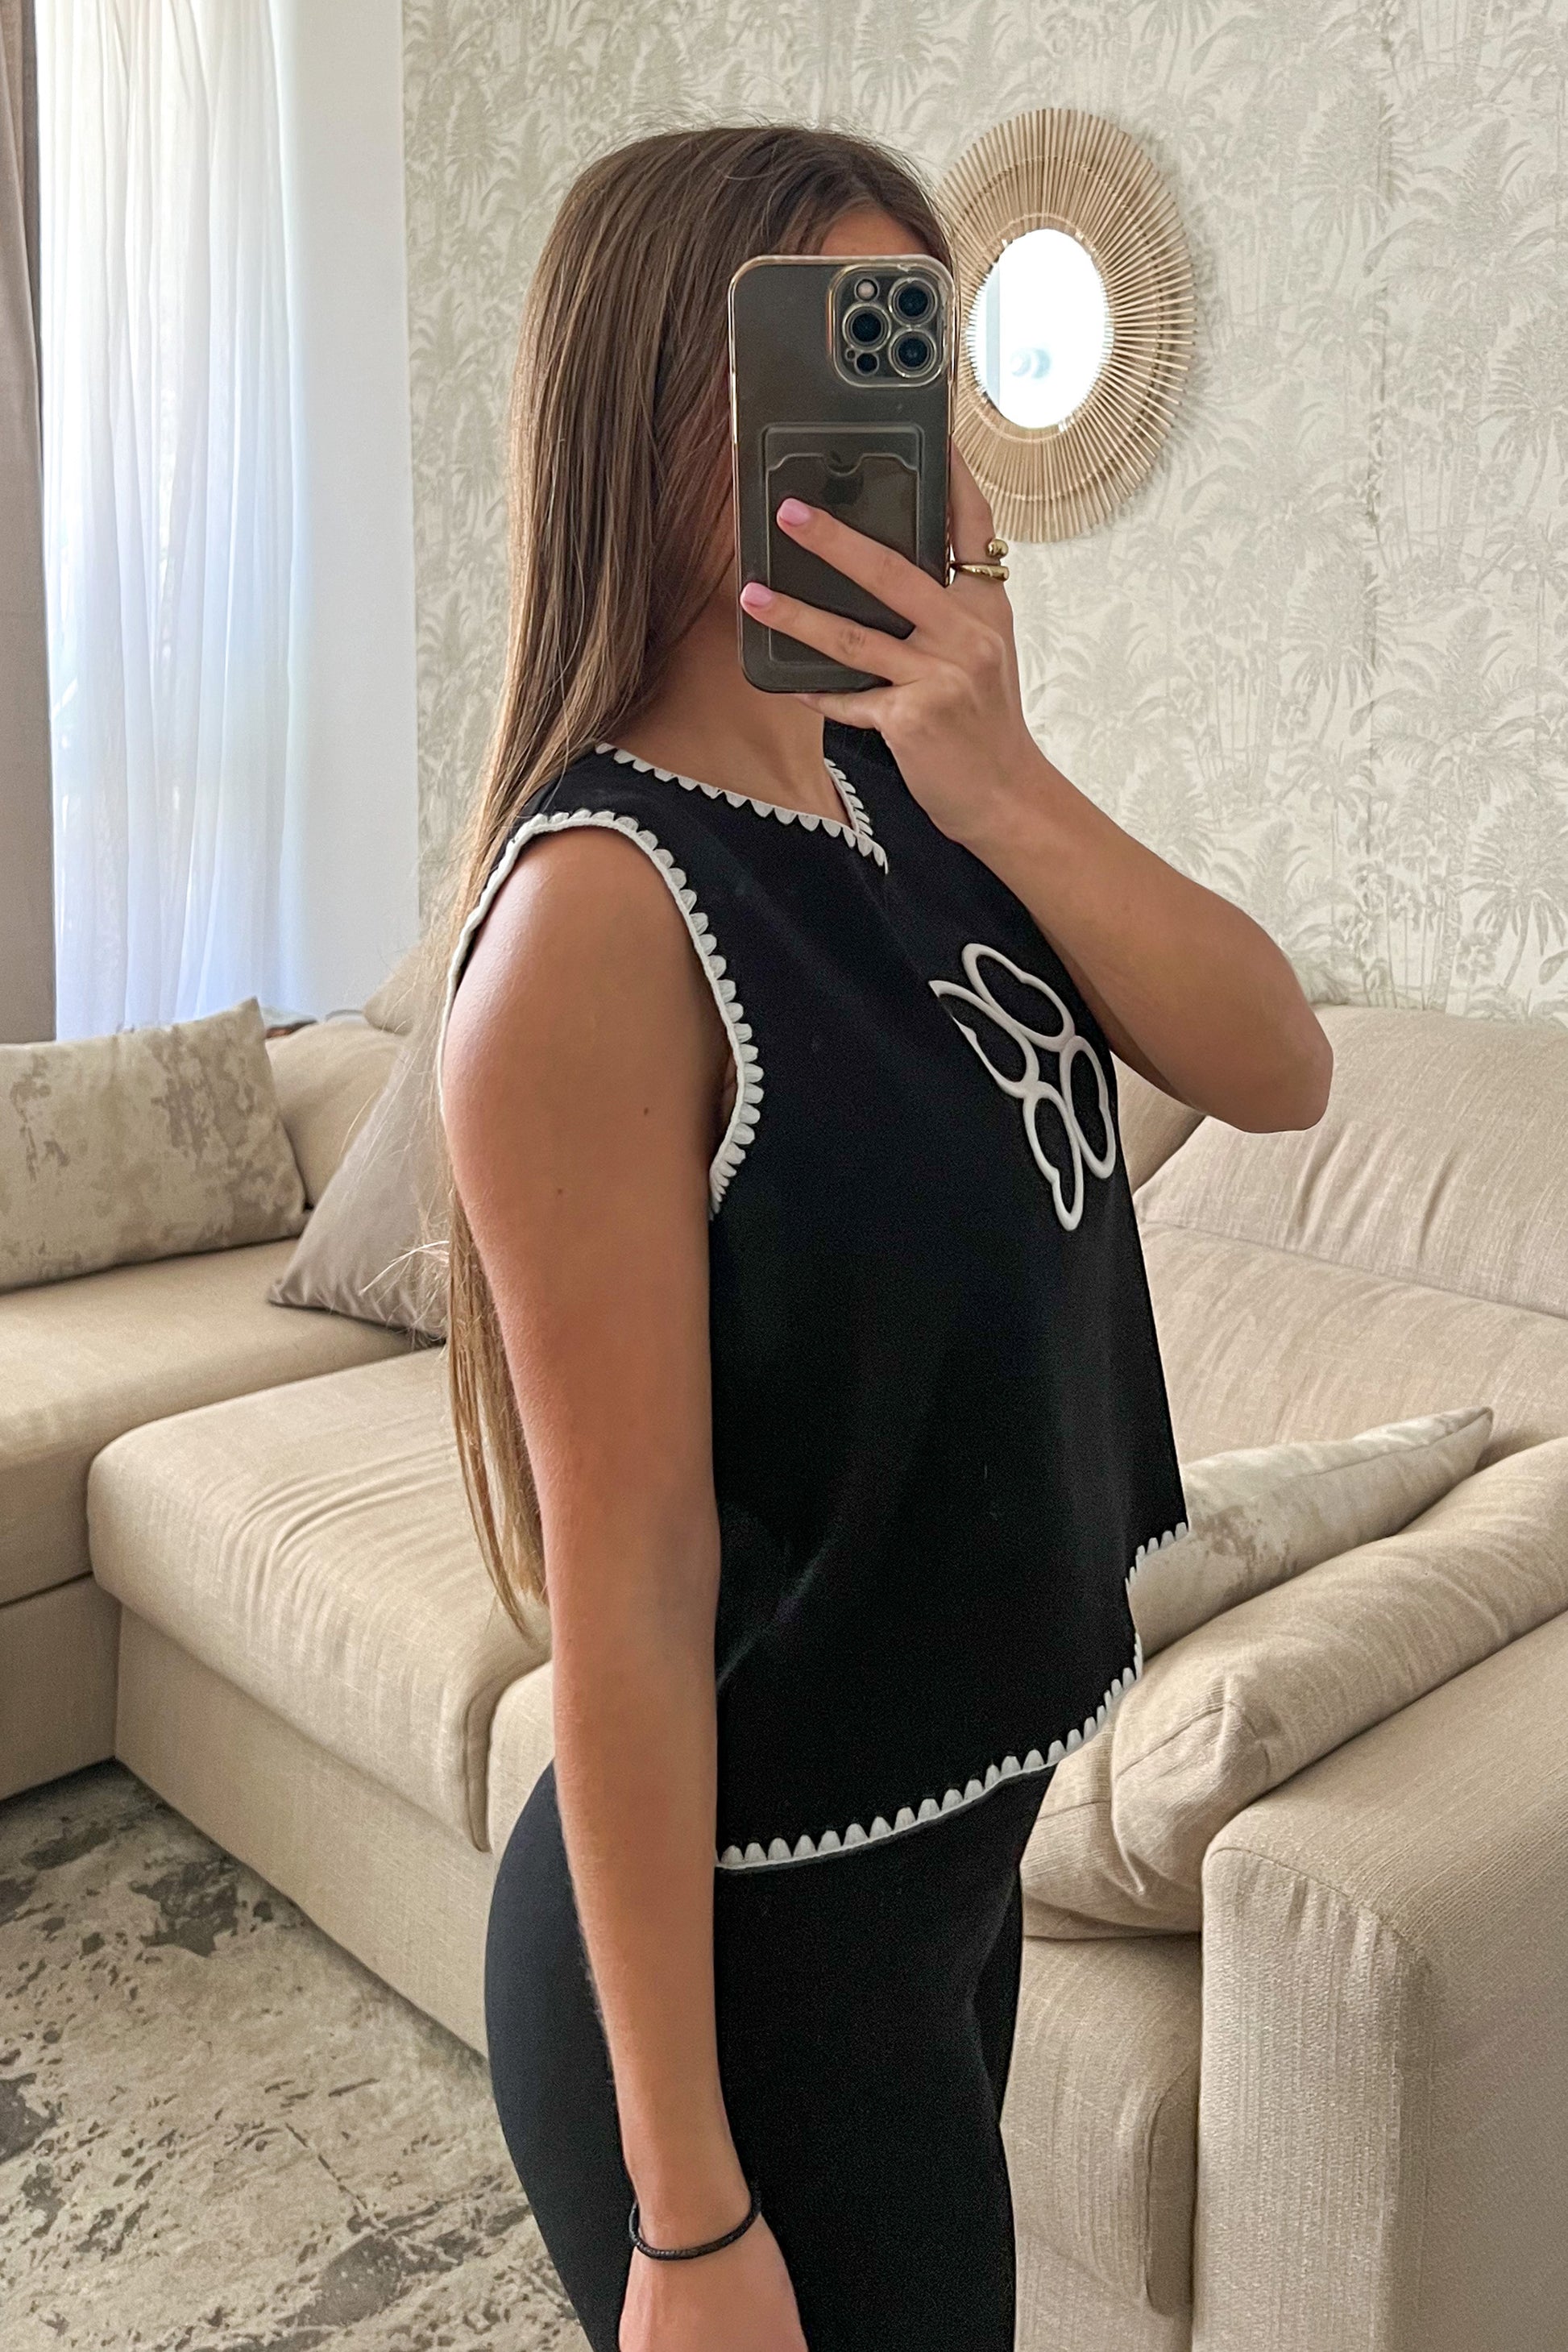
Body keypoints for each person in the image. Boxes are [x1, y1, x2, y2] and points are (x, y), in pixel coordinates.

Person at [438, 123, 1330, 2352]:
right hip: (750, 1953)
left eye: (912, 362)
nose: (889, 427)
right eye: (829, 358)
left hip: (939, 1879)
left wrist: (1005, 774)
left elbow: (1276, 1061)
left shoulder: (906, 791)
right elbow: (628, 1591)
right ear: (658, 401)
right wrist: (683, 2216)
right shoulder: (599, 918)